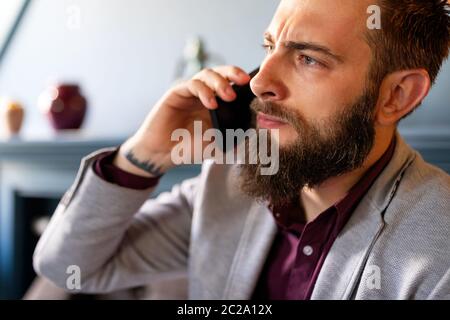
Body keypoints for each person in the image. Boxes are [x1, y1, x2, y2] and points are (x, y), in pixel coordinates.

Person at [33, 0, 450, 299]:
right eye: (270, 48)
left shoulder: (440, 256)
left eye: (308, 59)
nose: (258, 81)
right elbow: (69, 269)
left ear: (397, 95)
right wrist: (145, 154)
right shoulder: (228, 182)